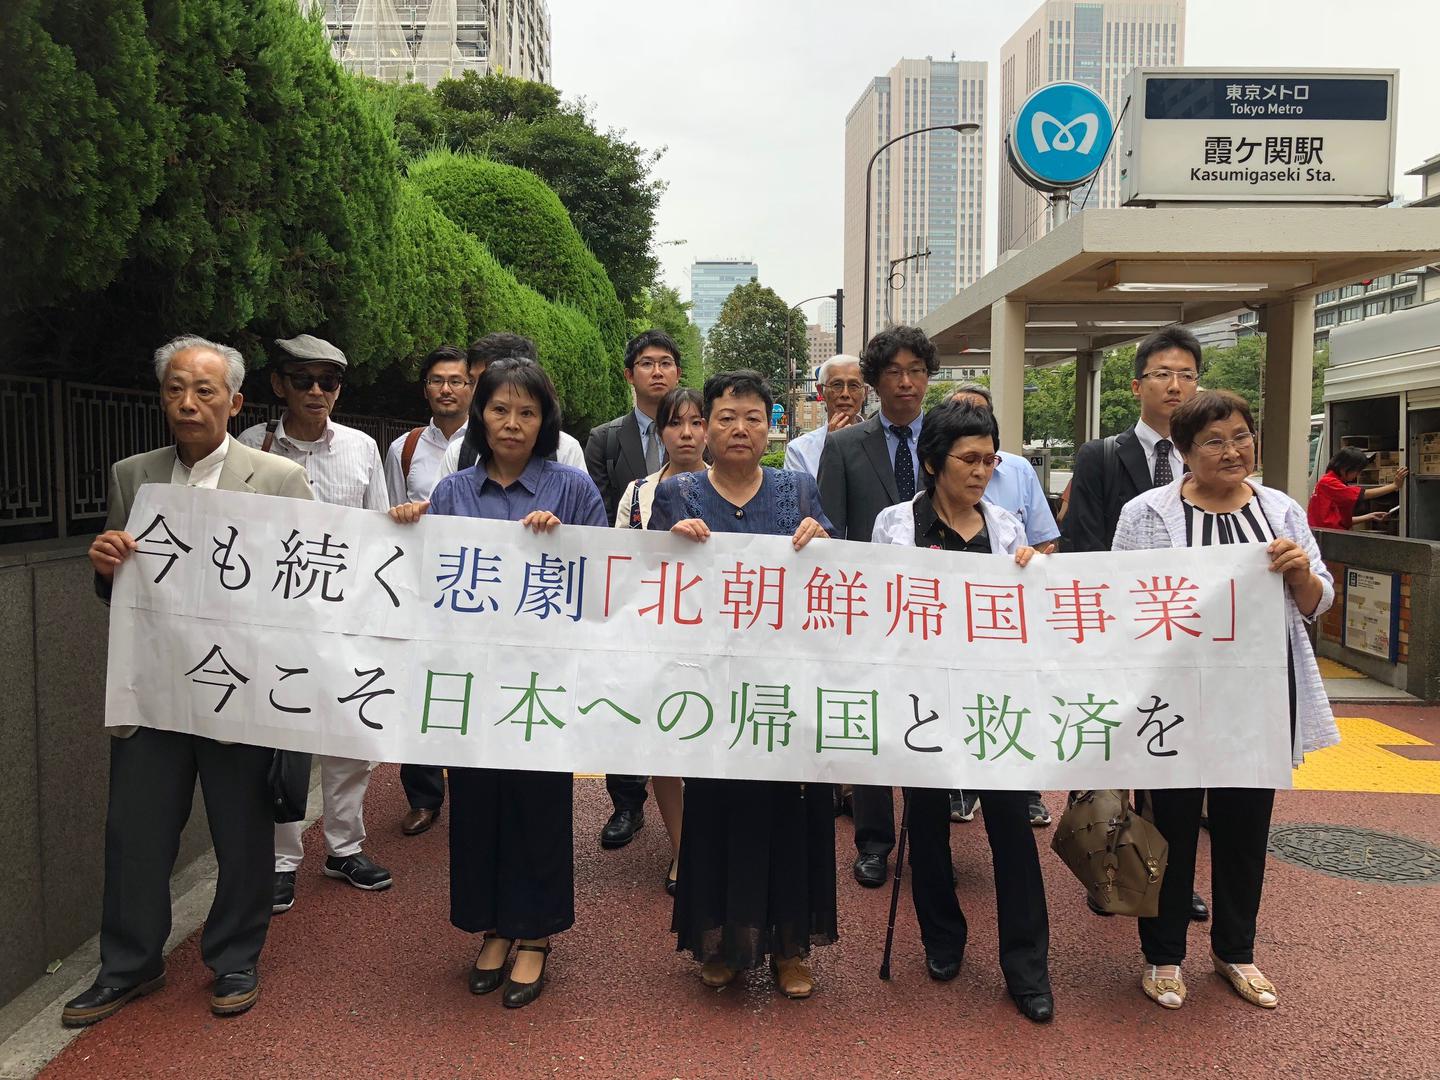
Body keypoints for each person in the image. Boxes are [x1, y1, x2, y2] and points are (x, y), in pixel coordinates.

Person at [64, 336, 315, 1027]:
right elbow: (119, 591)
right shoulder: (133, 477)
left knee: (241, 833)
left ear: (234, 402)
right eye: (175, 388)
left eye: (204, 390)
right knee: (134, 832)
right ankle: (129, 965)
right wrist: (106, 566)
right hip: (154, 687)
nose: (187, 402)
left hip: (239, 690)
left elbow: (305, 586)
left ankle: (234, 957)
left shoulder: (277, 479)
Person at [390, 358, 608, 1009]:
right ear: (480, 417)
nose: (512, 423)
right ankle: (492, 926)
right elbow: (423, 580)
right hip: (472, 679)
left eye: (527, 412)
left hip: (543, 679)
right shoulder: (454, 492)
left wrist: (563, 545)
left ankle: (534, 934)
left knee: (537, 804)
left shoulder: (571, 489)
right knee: (478, 803)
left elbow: (603, 587)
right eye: (500, 409)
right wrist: (404, 530)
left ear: (545, 421)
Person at [1113, 390, 1340, 1011]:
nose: (1232, 450)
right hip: (1173, 697)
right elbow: (1120, 602)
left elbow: (1319, 603)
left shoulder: (1281, 510)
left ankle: (1236, 951)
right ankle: (1162, 957)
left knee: (1244, 827)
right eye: (1213, 441)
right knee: (1170, 826)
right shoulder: (1145, 512)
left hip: (1257, 697)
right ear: (1184, 451)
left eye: (1241, 436)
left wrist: (1298, 572)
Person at [650, 370, 836, 999]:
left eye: (752, 417)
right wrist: (670, 547)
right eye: (724, 417)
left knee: (787, 814)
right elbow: (648, 580)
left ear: (770, 427)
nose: (738, 429)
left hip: (783, 686)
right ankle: (724, 943)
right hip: (710, 687)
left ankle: (790, 946)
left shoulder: (798, 489)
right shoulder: (677, 496)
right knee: (716, 811)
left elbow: (839, 575)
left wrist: (824, 539)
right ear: (703, 426)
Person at [871, 400, 1053, 1024]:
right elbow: (878, 611)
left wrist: (1035, 574)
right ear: (932, 463)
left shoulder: (1007, 528)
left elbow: (1033, 615)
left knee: (1010, 827)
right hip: (923, 698)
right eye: (968, 459)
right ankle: (941, 939)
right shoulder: (896, 525)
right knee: (926, 822)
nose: (981, 471)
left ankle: (1027, 966)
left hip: (996, 700)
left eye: (989, 459)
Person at [1060, 324, 1210, 925]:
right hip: (1118, 635)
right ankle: (1110, 869)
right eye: (1163, 375)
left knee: (1174, 762)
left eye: (1187, 375)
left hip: (1187, 641)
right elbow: (1083, 547)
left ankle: (1170, 882)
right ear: (1137, 385)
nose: (1175, 386)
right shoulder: (1101, 456)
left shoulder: (1209, 458)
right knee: (1114, 754)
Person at [237, 334, 392, 913]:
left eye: (328, 381)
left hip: (348, 615)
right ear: (279, 385)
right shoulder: (251, 446)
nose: (317, 391)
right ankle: (281, 860)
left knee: (352, 734)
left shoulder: (361, 449)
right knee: (282, 736)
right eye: (304, 379)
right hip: (276, 619)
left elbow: (380, 529)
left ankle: (345, 846)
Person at [817, 325, 937, 888]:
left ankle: (930, 836)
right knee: (869, 724)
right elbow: (832, 530)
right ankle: (873, 841)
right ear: (875, 381)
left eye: (916, 371)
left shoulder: (947, 441)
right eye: (894, 372)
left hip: (937, 612)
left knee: (930, 718)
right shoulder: (842, 447)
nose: (907, 382)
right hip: (866, 611)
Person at [585, 329, 685, 850]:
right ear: (630, 374)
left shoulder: (699, 433)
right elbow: (601, 515)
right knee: (624, 696)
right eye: (646, 363)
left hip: (688, 600)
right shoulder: (604, 439)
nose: (657, 372)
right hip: (627, 590)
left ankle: (687, 814)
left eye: (666, 362)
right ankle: (627, 804)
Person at [947, 383, 1061, 827]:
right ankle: (959, 787)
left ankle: (1024, 792)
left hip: (1001, 629)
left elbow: (1042, 539)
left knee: (1005, 718)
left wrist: (1033, 564)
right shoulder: (905, 519)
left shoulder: (1017, 474)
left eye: (986, 458)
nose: (979, 469)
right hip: (944, 628)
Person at [613, 386, 706, 895]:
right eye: (676, 423)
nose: (686, 433)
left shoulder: (734, 489)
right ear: (661, 432)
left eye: (696, 422)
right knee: (665, 745)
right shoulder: (637, 493)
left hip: (719, 637)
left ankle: (714, 845)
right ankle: (681, 849)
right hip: (658, 634)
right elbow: (621, 564)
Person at [383, 345, 475, 836]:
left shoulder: (485, 442)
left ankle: (470, 787)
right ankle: (422, 795)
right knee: (416, 686)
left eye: (457, 381)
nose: (447, 389)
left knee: (464, 685)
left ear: (471, 388)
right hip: (419, 584)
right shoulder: (406, 447)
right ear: (427, 389)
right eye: (438, 380)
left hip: (474, 585)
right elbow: (392, 514)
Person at [436, 333, 586, 477]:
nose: (475, 391)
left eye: (484, 380)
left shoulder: (565, 452)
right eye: (472, 381)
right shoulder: (459, 453)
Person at [783, 354, 866, 478]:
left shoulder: (881, 443)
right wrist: (832, 449)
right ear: (821, 390)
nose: (845, 394)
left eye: (853, 385)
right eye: (837, 385)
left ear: (865, 392)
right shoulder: (799, 450)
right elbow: (802, 497)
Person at [1307, 447, 1408, 530]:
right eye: (1357, 471)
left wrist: (1369, 516)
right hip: (1328, 537)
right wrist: (1394, 486)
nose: (1358, 475)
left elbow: (1339, 520)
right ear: (1345, 468)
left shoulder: (1329, 481)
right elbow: (1363, 494)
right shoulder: (1329, 483)